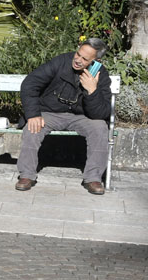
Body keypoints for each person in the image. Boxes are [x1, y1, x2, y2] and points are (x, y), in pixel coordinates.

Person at [15, 37, 113, 195]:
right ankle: (27, 175)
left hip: (82, 116)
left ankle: (93, 178)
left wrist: (92, 91)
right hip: (51, 112)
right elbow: (30, 83)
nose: (78, 60)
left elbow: (101, 113)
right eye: (78, 54)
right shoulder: (60, 62)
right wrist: (33, 114)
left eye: (85, 59)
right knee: (32, 127)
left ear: (96, 61)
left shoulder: (101, 75)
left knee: (100, 128)